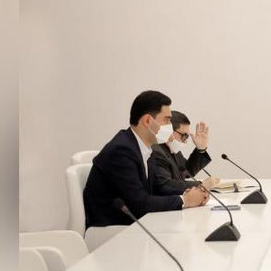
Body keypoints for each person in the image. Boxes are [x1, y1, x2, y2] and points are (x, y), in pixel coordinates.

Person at [83, 91, 208, 228]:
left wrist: (191, 194)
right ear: (148, 121)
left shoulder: (145, 148)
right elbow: (140, 204)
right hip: (112, 228)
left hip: (135, 223)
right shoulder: (122, 150)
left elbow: (158, 188)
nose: (170, 126)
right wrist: (185, 200)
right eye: (167, 120)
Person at [149, 110, 219, 196]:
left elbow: (187, 171)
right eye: (184, 135)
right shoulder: (156, 151)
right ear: (169, 130)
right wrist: (201, 185)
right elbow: (165, 184)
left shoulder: (172, 149)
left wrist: (201, 149)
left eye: (187, 136)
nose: (185, 141)